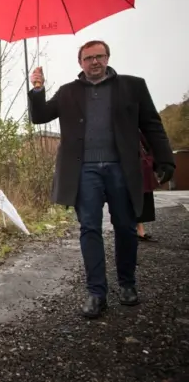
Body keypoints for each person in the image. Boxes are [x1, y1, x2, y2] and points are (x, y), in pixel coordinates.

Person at [28, 40, 175, 319]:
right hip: (85, 171)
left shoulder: (132, 86)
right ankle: (97, 293)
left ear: (107, 58)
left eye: (99, 56)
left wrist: (165, 158)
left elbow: (152, 124)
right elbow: (39, 117)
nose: (94, 62)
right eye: (88, 58)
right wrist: (37, 89)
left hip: (122, 168)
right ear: (80, 62)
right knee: (90, 230)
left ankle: (127, 285)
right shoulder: (68, 92)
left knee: (126, 227)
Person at [137, 131, 158, 241]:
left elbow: (150, 145)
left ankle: (140, 231)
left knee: (142, 198)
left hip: (142, 169)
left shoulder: (138, 129)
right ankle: (138, 230)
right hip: (126, 168)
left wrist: (148, 159)